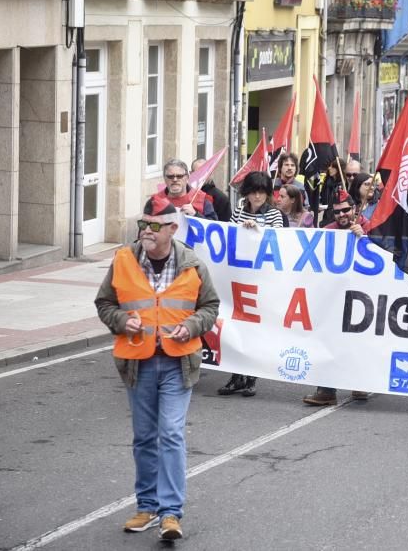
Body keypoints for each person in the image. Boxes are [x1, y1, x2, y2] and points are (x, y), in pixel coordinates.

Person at [94, 197, 219, 540]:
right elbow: (104, 303)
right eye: (142, 224)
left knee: (172, 433)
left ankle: (171, 514)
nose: (146, 232)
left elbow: (210, 307)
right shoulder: (123, 260)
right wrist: (121, 320)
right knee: (145, 437)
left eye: (153, 225)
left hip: (178, 363)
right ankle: (146, 507)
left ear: (172, 229)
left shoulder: (192, 265)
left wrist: (191, 327)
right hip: (137, 363)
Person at [218, 172, 286, 398]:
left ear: (267, 194)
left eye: (262, 192)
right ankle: (236, 376)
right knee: (235, 326)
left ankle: (251, 377)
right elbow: (227, 233)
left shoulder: (274, 214)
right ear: (246, 192)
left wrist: (257, 232)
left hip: (261, 279)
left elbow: (280, 240)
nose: (257, 196)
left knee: (255, 328)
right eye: (253, 191)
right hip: (239, 276)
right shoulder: (239, 211)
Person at [302, 191, 371, 406]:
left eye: (346, 210)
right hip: (334, 295)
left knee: (358, 340)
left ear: (355, 208)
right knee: (328, 340)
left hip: (363, 296)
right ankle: (326, 390)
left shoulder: (370, 225)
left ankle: (360, 382)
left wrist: (366, 235)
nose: (342, 215)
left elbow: (386, 249)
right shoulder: (327, 232)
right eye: (337, 211)